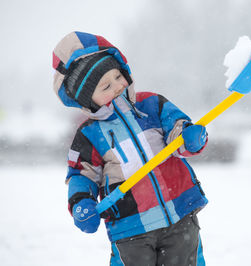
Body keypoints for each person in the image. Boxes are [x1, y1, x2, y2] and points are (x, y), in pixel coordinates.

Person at [52, 31, 208, 266]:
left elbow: (178, 132)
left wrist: (189, 138)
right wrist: (81, 202)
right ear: (87, 100)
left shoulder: (152, 104)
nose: (116, 86)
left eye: (117, 76)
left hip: (179, 214)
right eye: (105, 85)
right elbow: (81, 174)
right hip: (130, 228)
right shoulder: (89, 134)